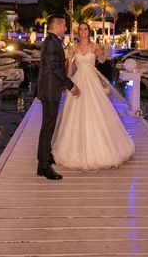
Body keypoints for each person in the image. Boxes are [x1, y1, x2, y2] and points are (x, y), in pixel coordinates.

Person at [52, 22, 135, 171]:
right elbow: (69, 70)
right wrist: (67, 83)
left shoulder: (94, 46)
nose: (83, 32)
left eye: (85, 29)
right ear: (78, 32)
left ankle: (105, 149)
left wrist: (101, 53)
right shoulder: (73, 48)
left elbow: (103, 61)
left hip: (91, 81)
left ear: (89, 32)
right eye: (81, 30)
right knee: (73, 114)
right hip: (77, 81)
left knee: (97, 111)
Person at [36, 14, 79, 180]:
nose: (66, 28)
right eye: (64, 25)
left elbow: (52, 68)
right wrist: (70, 85)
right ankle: (43, 166)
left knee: (48, 126)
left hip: (51, 88)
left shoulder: (52, 41)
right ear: (57, 25)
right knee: (48, 128)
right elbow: (55, 68)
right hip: (49, 91)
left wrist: (61, 85)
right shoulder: (52, 43)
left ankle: (45, 157)